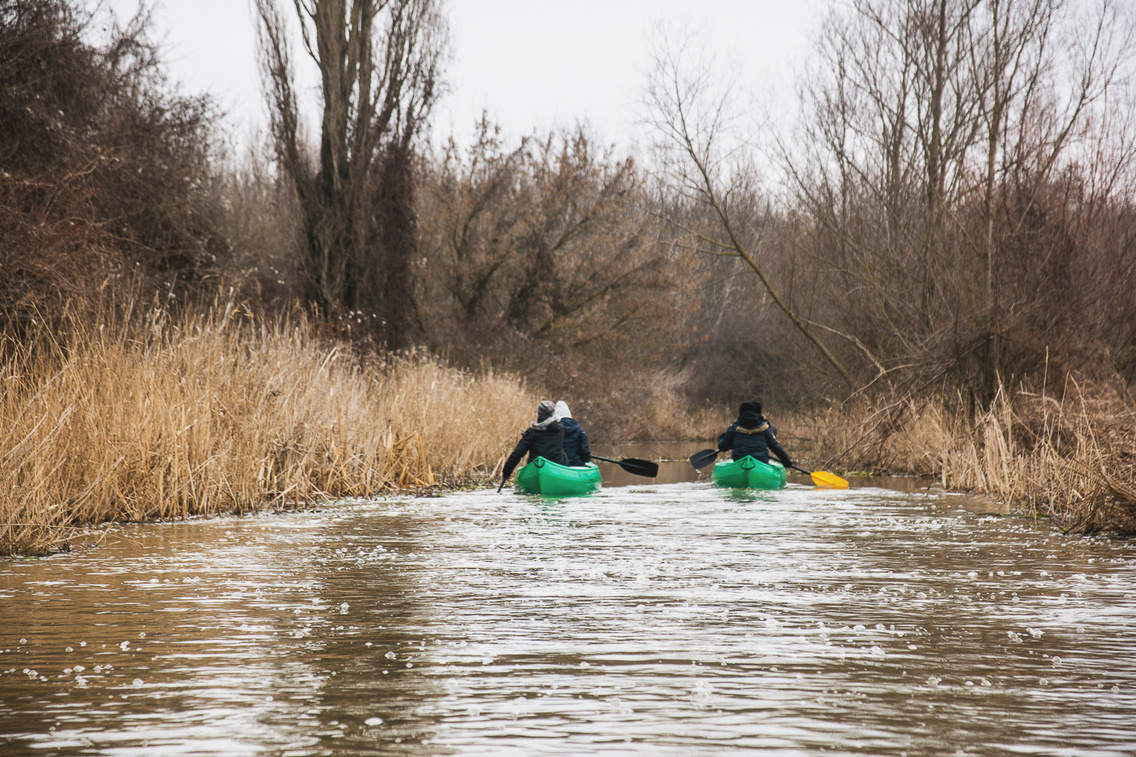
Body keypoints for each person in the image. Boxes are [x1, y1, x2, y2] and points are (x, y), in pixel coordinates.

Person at [501, 400, 569, 487]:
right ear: (552, 412)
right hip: (557, 468)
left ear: (539, 413)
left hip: (536, 467)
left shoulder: (531, 432)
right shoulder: (560, 429)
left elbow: (517, 453)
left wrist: (506, 472)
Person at [718, 401, 793, 468]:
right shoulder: (764, 428)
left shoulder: (733, 428)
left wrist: (721, 439)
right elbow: (776, 447)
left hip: (739, 463)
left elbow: (723, 447)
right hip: (761, 463)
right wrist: (786, 461)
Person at [554, 400, 591, 467]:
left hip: (560, 465)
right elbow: (586, 452)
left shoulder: (554, 430)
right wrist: (587, 459)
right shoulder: (580, 430)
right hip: (577, 464)